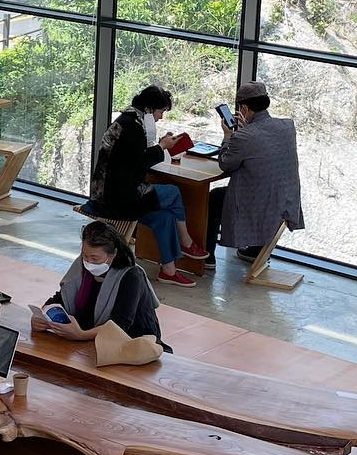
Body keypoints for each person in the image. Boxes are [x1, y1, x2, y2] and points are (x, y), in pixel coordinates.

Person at [88, 84, 203, 286]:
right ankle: (186, 241)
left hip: (108, 194)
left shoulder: (127, 121)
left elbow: (132, 159)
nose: (161, 117)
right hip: (117, 198)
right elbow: (139, 163)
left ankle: (169, 271)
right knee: (173, 192)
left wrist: (160, 145)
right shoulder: (132, 127)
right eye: (161, 111)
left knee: (164, 217)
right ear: (150, 109)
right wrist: (162, 146)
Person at [204, 81, 304, 269]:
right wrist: (244, 133)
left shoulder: (244, 136)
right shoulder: (287, 126)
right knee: (264, 186)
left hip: (258, 205)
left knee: (214, 198)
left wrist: (228, 137)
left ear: (244, 108)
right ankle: (255, 250)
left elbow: (226, 164)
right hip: (286, 200)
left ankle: (207, 256)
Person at [32, 220, 171, 350]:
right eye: (85, 255)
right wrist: (42, 316)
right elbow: (62, 297)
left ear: (113, 254)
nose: (88, 262)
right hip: (91, 335)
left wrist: (81, 335)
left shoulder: (131, 275)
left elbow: (120, 325)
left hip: (131, 340)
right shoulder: (81, 265)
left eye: (95, 258)